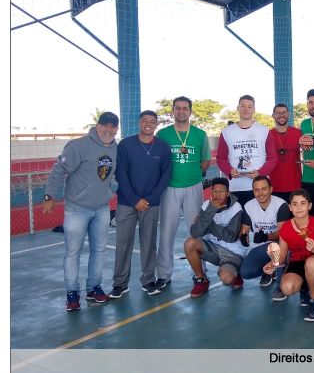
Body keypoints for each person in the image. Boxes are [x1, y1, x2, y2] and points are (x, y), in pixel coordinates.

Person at [43, 111, 119, 311]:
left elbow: (115, 175)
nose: (109, 130)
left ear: (117, 129)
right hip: (77, 209)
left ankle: (93, 288)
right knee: (73, 253)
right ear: (97, 125)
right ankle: (72, 293)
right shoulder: (78, 146)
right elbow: (59, 170)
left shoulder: (115, 149)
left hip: (102, 208)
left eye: (113, 126)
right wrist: (50, 196)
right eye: (105, 125)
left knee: (99, 251)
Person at [110, 111, 171, 299]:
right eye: (145, 121)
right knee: (123, 244)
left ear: (156, 125)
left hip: (150, 204)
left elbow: (166, 175)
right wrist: (135, 199)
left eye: (152, 122)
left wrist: (150, 199)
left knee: (148, 244)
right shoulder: (126, 144)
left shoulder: (162, 147)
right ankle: (120, 284)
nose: (148, 124)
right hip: (127, 203)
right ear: (139, 123)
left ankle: (148, 281)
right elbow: (121, 174)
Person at [156, 96, 211, 289]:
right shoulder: (162, 134)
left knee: (196, 231)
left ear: (190, 111)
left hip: (193, 187)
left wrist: (194, 173)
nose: (181, 111)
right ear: (173, 111)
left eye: (185, 108)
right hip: (169, 187)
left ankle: (200, 272)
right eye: (177, 108)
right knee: (166, 232)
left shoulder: (199, 134)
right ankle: (163, 274)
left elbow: (206, 161)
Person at [263, 189, 314, 322]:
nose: (299, 207)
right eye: (295, 204)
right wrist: (272, 264)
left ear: (309, 206)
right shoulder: (286, 228)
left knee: (311, 263)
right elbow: (281, 256)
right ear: (290, 207)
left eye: (303, 203)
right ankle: (305, 288)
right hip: (298, 262)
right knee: (286, 287)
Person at [184, 177, 245, 296]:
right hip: (213, 248)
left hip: (233, 252)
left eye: (222, 191)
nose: (218, 195)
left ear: (228, 193)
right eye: (215, 191)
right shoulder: (207, 205)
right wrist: (211, 210)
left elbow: (230, 237)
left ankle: (235, 274)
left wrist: (208, 224)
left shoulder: (236, 208)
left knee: (227, 279)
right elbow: (195, 232)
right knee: (189, 243)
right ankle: (201, 279)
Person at [217, 94, 277, 207]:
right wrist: (229, 171)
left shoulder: (264, 131)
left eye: (249, 106)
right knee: (238, 222)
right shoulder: (227, 132)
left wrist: (260, 173)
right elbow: (221, 158)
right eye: (243, 106)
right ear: (238, 108)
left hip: (260, 187)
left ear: (254, 109)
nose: (246, 109)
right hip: (236, 187)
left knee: (258, 222)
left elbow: (273, 158)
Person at [238, 176, 290, 301]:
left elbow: (282, 233)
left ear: (271, 189)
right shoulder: (248, 206)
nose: (260, 193)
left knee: (275, 247)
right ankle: (269, 272)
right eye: (257, 190)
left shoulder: (281, 204)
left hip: (280, 245)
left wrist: (266, 236)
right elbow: (244, 228)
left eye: (264, 189)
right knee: (245, 272)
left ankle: (280, 287)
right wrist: (243, 237)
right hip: (261, 247)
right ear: (253, 191)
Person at [268, 103, 302, 203]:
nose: (281, 115)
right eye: (278, 113)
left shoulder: (298, 133)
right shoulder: (267, 135)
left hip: (295, 184)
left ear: (288, 114)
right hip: (275, 185)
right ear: (273, 115)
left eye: (284, 113)